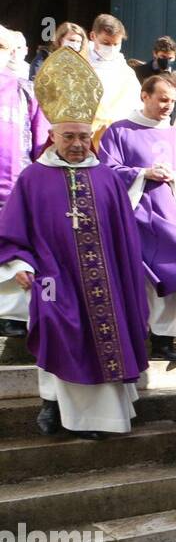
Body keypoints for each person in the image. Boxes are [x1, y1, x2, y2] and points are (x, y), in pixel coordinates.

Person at [0, 47, 149, 439]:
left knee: (104, 335)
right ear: (51, 135)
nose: (78, 144)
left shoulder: (106, 178)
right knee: (58, 331)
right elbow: (12, 231)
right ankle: (52, 403)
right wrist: (21, 265)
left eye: (84, 136)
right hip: (53, 279)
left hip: (106, 280)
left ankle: (102, 419)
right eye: (69, 136)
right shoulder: (32, 178)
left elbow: (124, 236)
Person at [98, 74, 176, 363]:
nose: (168, 106)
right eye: (163, 99)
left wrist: (175, 176)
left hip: (170, 215)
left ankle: (164, 339)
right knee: (136, 276)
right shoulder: (119, 131)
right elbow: (106, 170)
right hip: (134, 215)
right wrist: (142, 173)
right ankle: (135, 335)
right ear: (144, 96)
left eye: (172, 102)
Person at [0, 32, 49, 338]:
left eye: (19, 48)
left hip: (18, 181)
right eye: (7, 48)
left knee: (14, 250)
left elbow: (41, 135)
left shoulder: (27, 90)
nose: (13, 54)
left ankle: (10, 316)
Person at [86, 14, 141, 137]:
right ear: (93, 36)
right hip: (85, 134)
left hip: (116, 135)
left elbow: (136, 106)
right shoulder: (78, 64)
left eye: (116, 44)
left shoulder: (126, 72)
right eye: (106, 43)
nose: (111, 48)